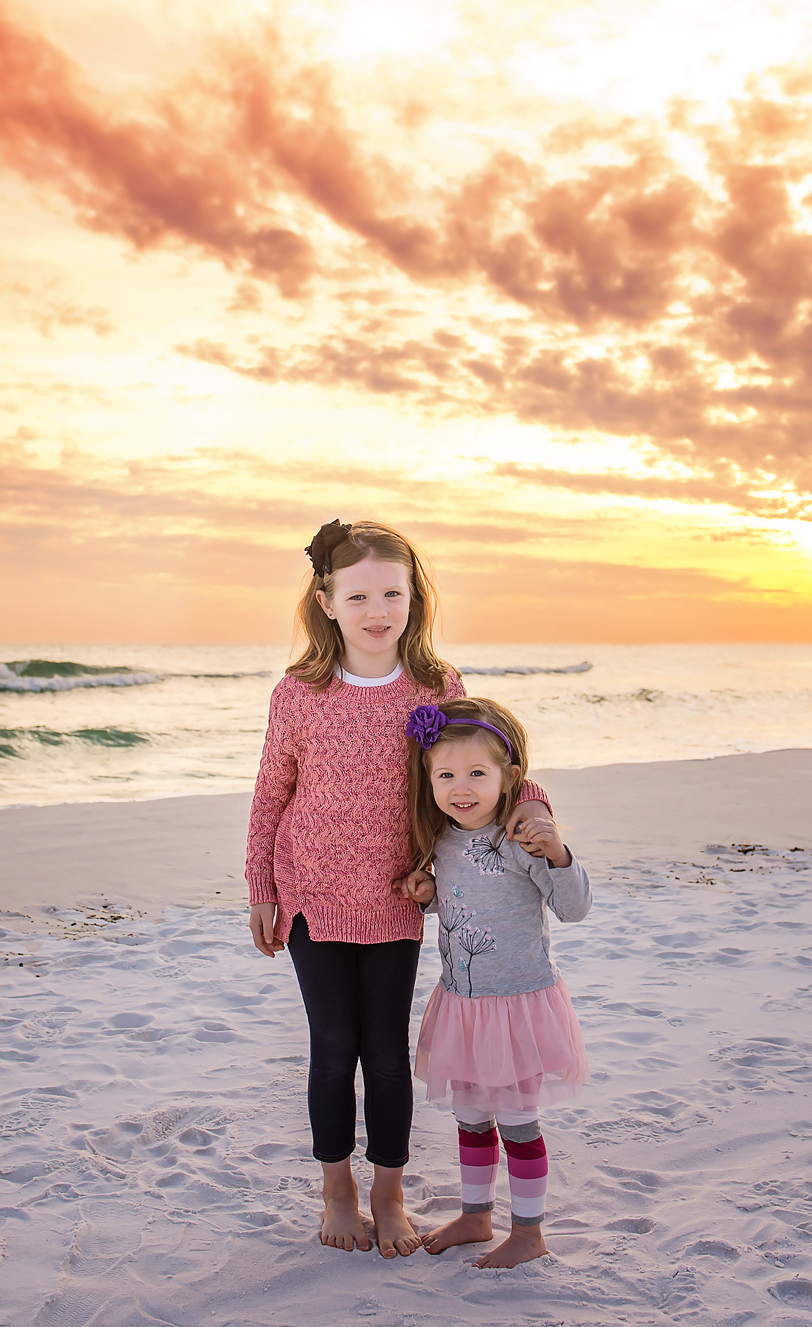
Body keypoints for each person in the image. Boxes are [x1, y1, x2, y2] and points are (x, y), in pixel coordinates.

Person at [245, 520, 555, 1259]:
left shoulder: (434, 684)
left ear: (415, 596)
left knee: (385, 1051)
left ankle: (388, 1191)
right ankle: (337, 1188)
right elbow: (268, 795)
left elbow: (487, 754)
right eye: (358, 595)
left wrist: (535, 803)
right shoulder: (299, 692)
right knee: (333, 1046)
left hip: (395, 897)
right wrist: (261, 884)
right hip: (311, 896)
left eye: (393, 592)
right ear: (326, 600)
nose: (378, 609)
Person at [398, 697, 589, 1269]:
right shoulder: (442, 839)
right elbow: (464, 904)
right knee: (471, 1117)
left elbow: (573, 907)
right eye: (447, 774)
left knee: (518, 1124)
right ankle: (477, 1215)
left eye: (477, 774)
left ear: (508, 779)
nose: (462, 788)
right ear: (428, 779)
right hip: (461, 1004)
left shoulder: (522, 839)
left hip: (517, 1008)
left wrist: (556, 850)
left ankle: (528, 1232)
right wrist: (428, 897)